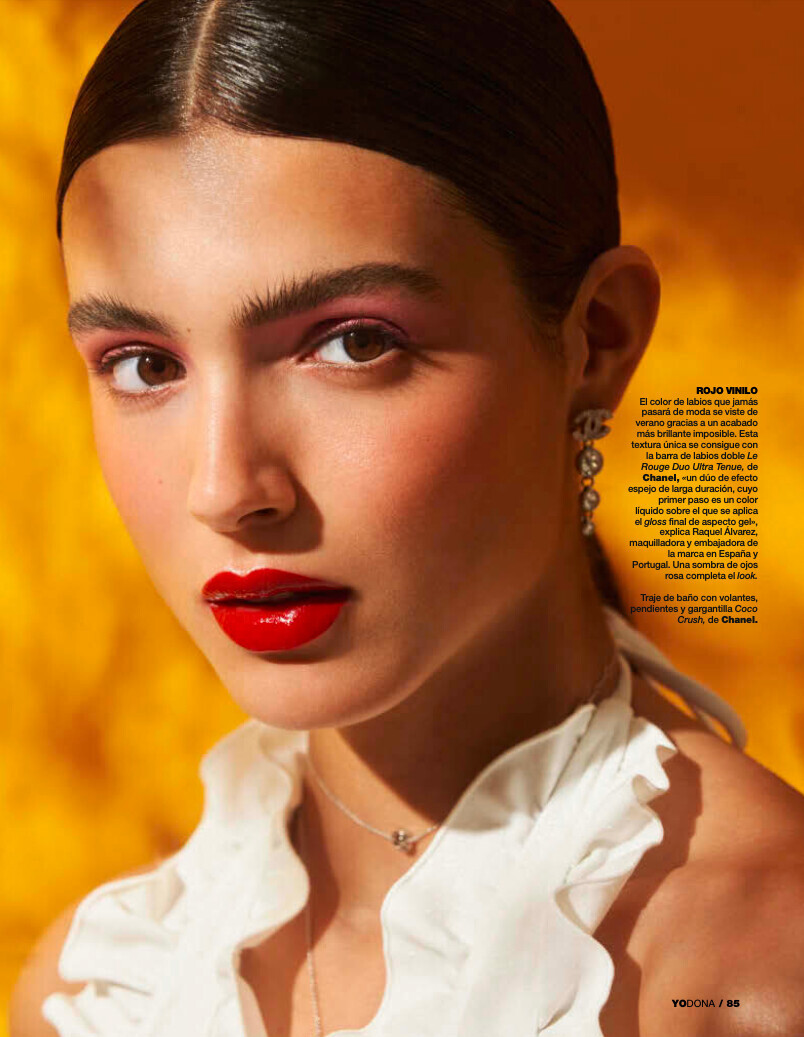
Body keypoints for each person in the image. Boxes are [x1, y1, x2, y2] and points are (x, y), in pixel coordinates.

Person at [10, 0, 804, 1034]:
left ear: (598, 340)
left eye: (352, 344)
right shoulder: (102, 987)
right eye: (145, 364)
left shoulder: (761, 973)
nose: (226, 486)